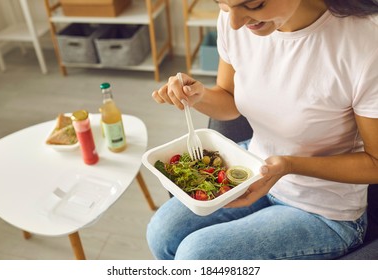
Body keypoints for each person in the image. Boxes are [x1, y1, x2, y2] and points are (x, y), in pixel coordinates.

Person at [147, 0, 378, 259]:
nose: (234, 22)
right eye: (222, 5)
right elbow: (229, 100)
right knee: (161, 233)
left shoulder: (366, 43)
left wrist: (289, 165)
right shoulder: (235, 22)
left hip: (323, 209)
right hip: (256, 167)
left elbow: (375, 163)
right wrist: (198, 95)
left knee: (196, 256)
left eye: (254, 4)